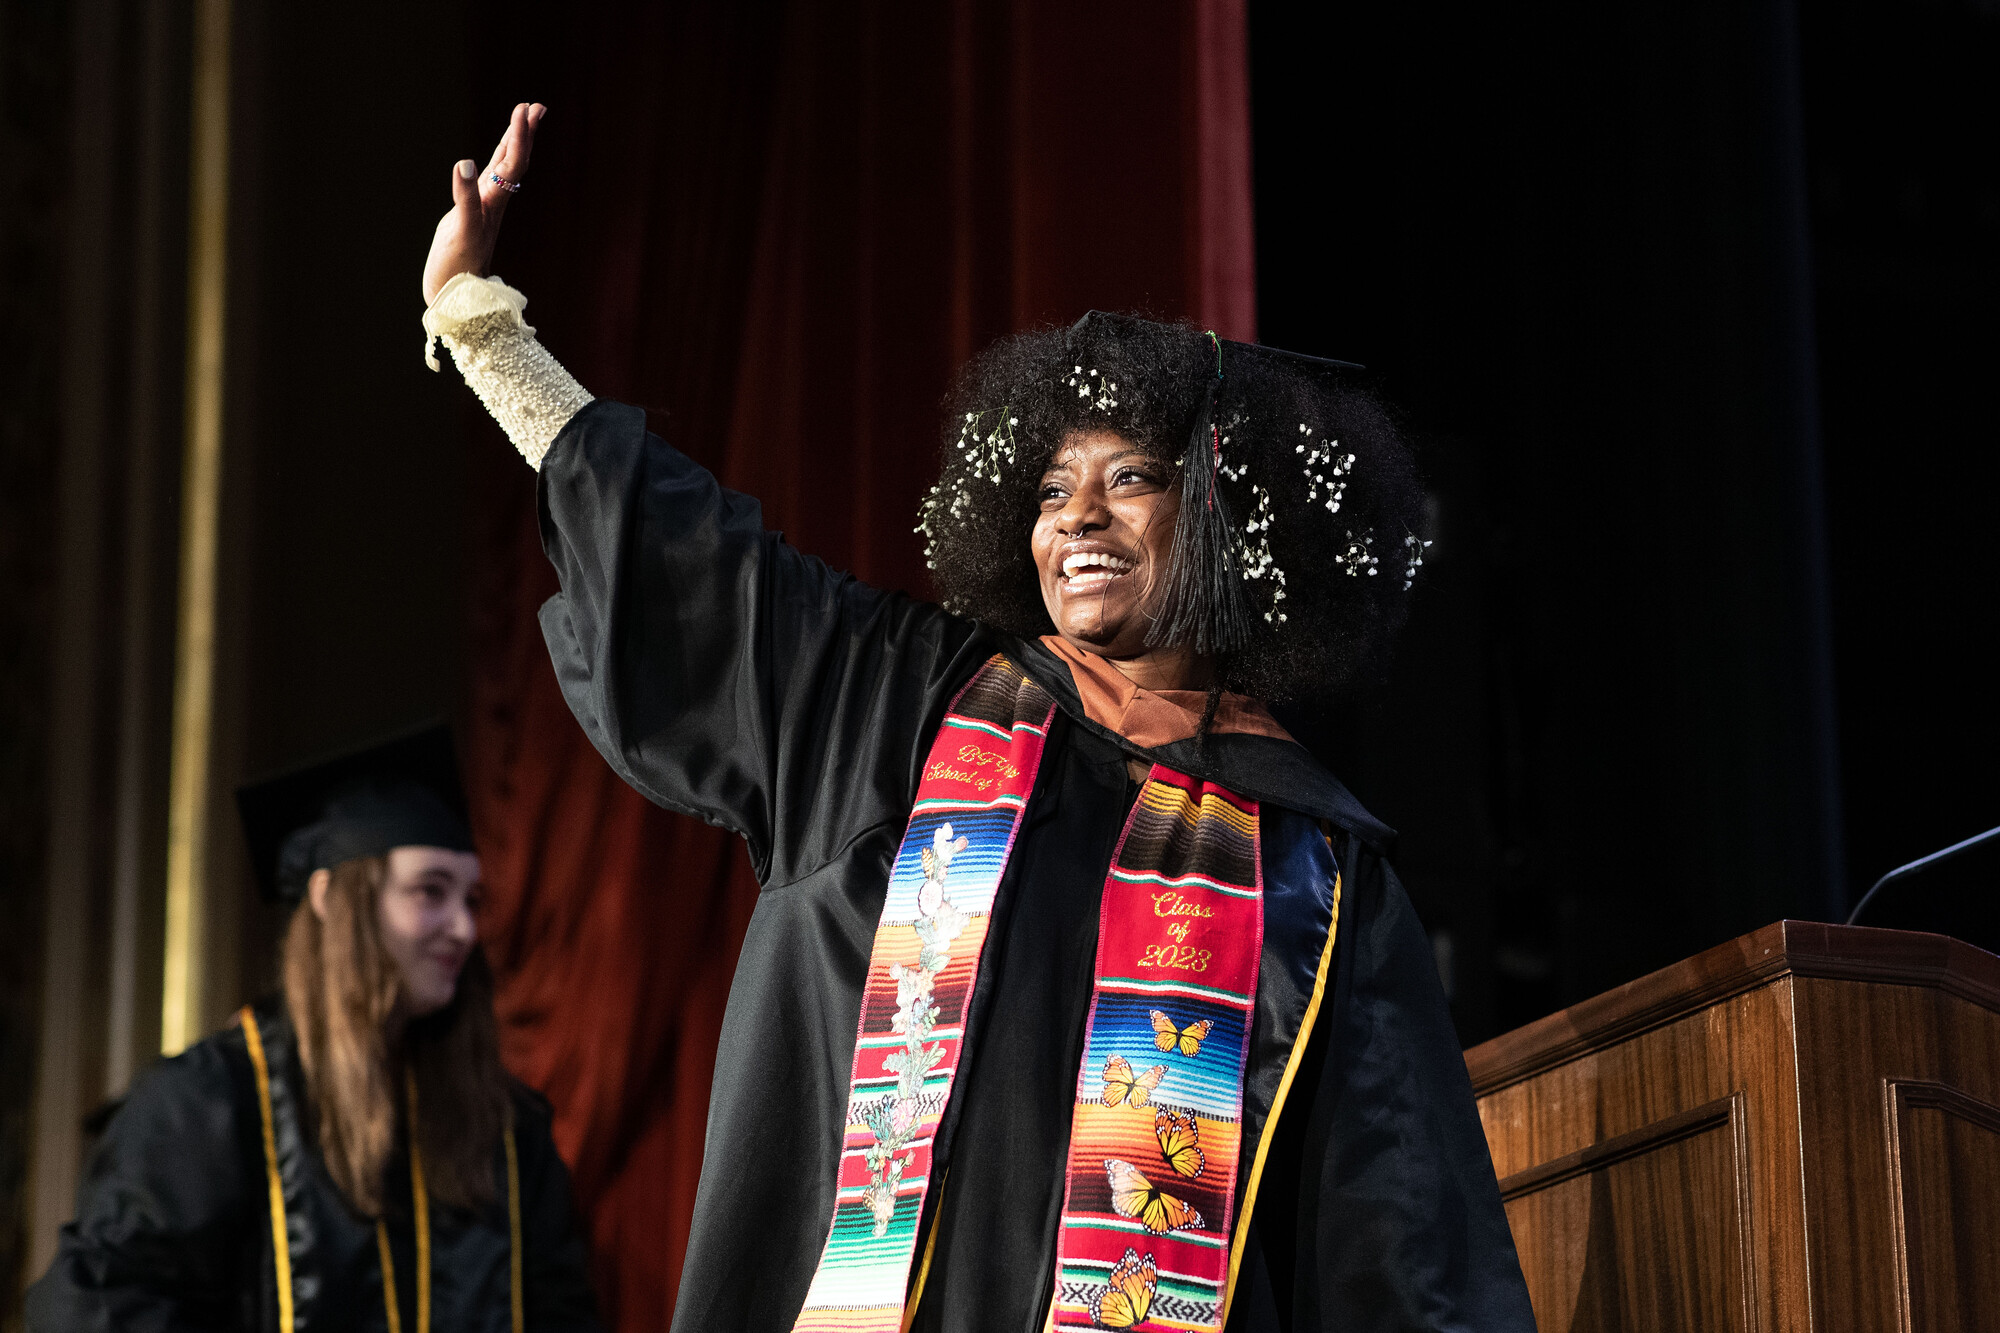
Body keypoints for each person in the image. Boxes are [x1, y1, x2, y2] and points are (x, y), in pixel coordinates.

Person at [418, 106, 1532, 1332]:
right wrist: (485, 329)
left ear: (1224, 521)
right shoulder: (901, 702)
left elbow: (1397, 1247)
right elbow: (692, 556)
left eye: (1131, 480)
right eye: (1052, 490)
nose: (1076, 521)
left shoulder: (1311, 872)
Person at [27, 726, 600, 1333]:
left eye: (471, 900)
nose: (463, 928)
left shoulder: (509, 1135)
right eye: (431, 890)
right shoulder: (206, 1107)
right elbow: (96, 1311)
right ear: (331, 897)